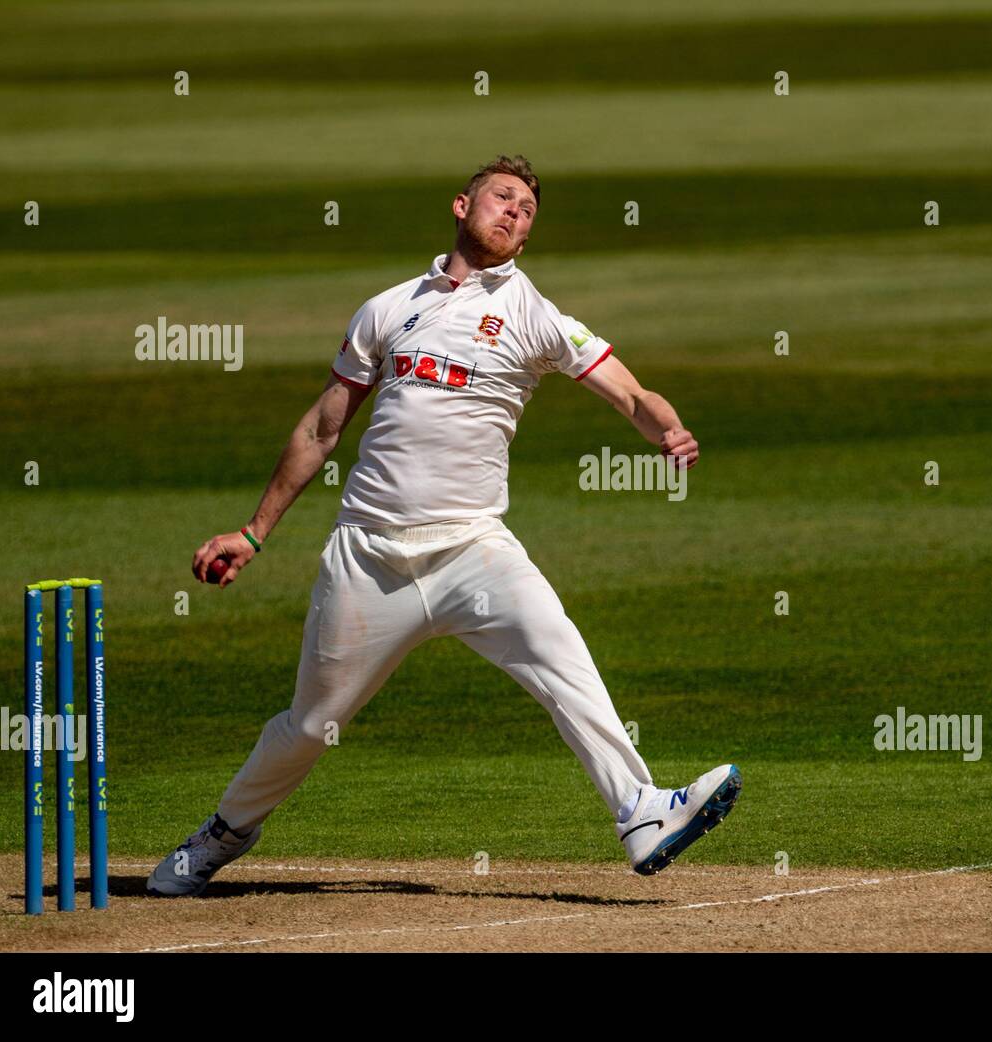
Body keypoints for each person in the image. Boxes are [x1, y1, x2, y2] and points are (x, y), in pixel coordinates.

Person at [146, 155, 741, 896]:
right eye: (503, 198)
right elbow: (324, 429)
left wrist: (668, 428)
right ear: (462, 205)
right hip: (369, 558)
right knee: (309, 725)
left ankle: (641, 811)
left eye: (527, 210)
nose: (515, 213)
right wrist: (253, 532)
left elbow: (630, 393)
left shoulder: (537, 317)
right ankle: (220, 838)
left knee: (562, 657)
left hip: (474, 551)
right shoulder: (388, 309)